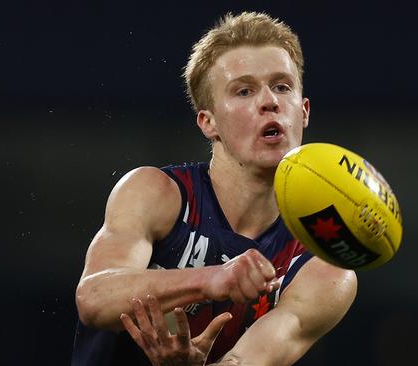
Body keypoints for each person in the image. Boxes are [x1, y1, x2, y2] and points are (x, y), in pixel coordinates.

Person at [72, 11, 357, 366]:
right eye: (244, 90)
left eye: (282, 86)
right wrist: (212, 279)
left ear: (304, 111)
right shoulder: (157, 193)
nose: (269, 101)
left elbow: (248, 360)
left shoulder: (323, 267)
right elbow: (94, 299)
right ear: (209, 122)